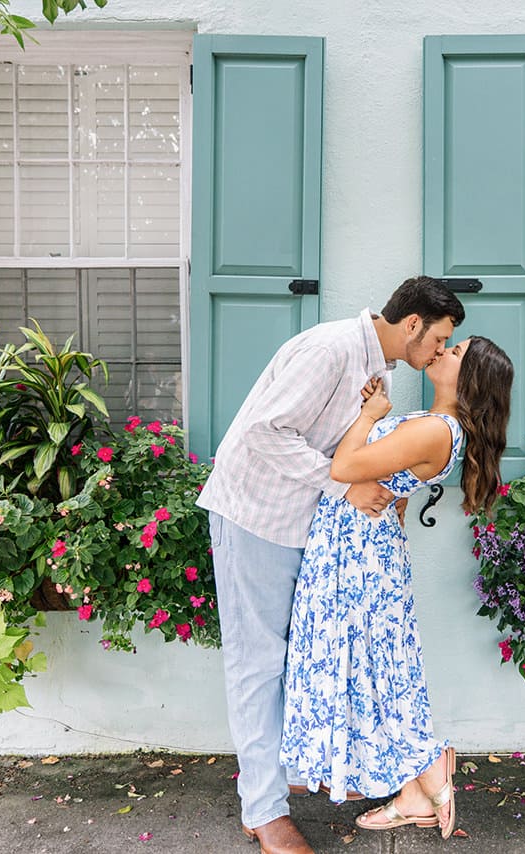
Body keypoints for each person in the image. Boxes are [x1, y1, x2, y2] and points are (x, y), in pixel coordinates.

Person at [197, 276, 466, 854]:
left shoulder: (382, 371)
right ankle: (265, 813)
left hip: (304, 525)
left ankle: (280, 779)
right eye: (439, 338)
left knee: (295, 658)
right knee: (257, 663)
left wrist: (384, 494)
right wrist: (341, 487)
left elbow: (360, 449)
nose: (441, 352)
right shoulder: (330, 349)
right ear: (413, 323)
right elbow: (265, 431)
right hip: (257, 515)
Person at [280, 336, 514, 840]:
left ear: (469, 378)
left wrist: (371, 415)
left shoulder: (435, 429)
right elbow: (382, 474)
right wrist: (375, 411)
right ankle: (417, 788)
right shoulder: (428, 424)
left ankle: (428, 770)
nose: (443, 350)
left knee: (375, 668)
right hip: (359, 544)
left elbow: (343, 469)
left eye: (456, 352)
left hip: (357, 553)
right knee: (379, 666)